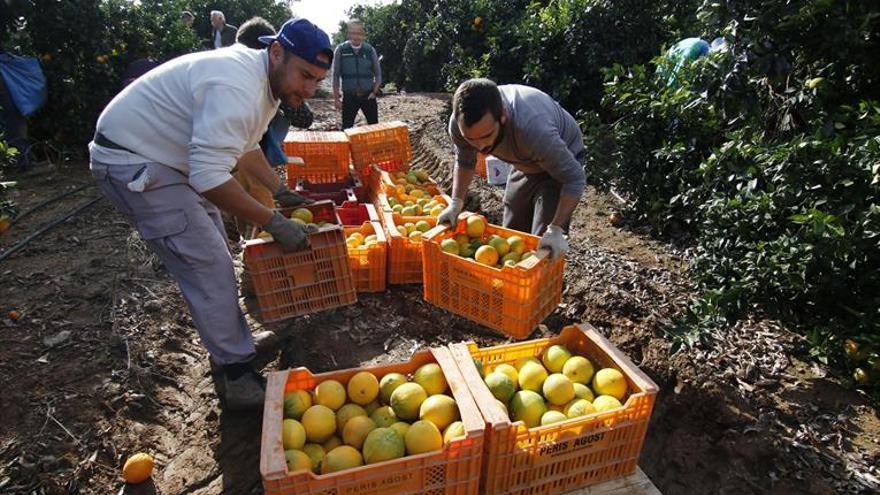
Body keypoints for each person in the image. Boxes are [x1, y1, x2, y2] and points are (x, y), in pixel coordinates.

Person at [88, 18, 333, 410]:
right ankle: (236, 374)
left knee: (215, 251)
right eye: (305, 75)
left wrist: (279, 190)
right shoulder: (236, 85)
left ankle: (230, 348)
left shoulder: (265, 83)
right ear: (276, 52)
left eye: (317, 80)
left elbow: (246, 147)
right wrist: (272, 221)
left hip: (171, 160)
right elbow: (209, 177)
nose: (309, 88)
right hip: (134, 162)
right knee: (209, 264)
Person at [439, 79, 586, 259]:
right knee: (509, 240)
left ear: (503, 116)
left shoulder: (533, 129)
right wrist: (456, 203)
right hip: (524, 161)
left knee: (542, 246)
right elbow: (465, 160)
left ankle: (546, 283)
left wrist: (556, 229)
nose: (480, 146)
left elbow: (574, 179)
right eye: (471, 139)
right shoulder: (459, 123)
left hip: (559, 161)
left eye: (486, 135)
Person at [332, 19, 382, 129]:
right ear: (348, 33)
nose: (356, 36)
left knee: (374, 127)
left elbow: (378, 74)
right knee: (347, 129)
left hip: (368, 96)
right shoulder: (340, 50)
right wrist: (336, 98)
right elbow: (335, 75)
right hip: (349, 96)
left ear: (363, 34)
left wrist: (374, 92)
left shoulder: (370, 50)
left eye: (359, 33)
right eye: (353, 33)